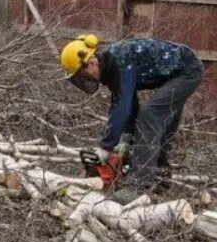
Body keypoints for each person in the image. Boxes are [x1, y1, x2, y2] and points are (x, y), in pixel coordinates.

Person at [60, 34, 203, 203]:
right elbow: (128, 104)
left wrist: (106, 146)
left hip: (187, 71)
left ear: (91, 63)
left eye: (82, 76)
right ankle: (160, 181)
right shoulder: (110, 67)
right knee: (159, 126)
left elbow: (122, 106)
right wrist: (126, 137)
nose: (85, 80)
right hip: (176, 74)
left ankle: (138, 186)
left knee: (149, 115)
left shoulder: (119, 63)